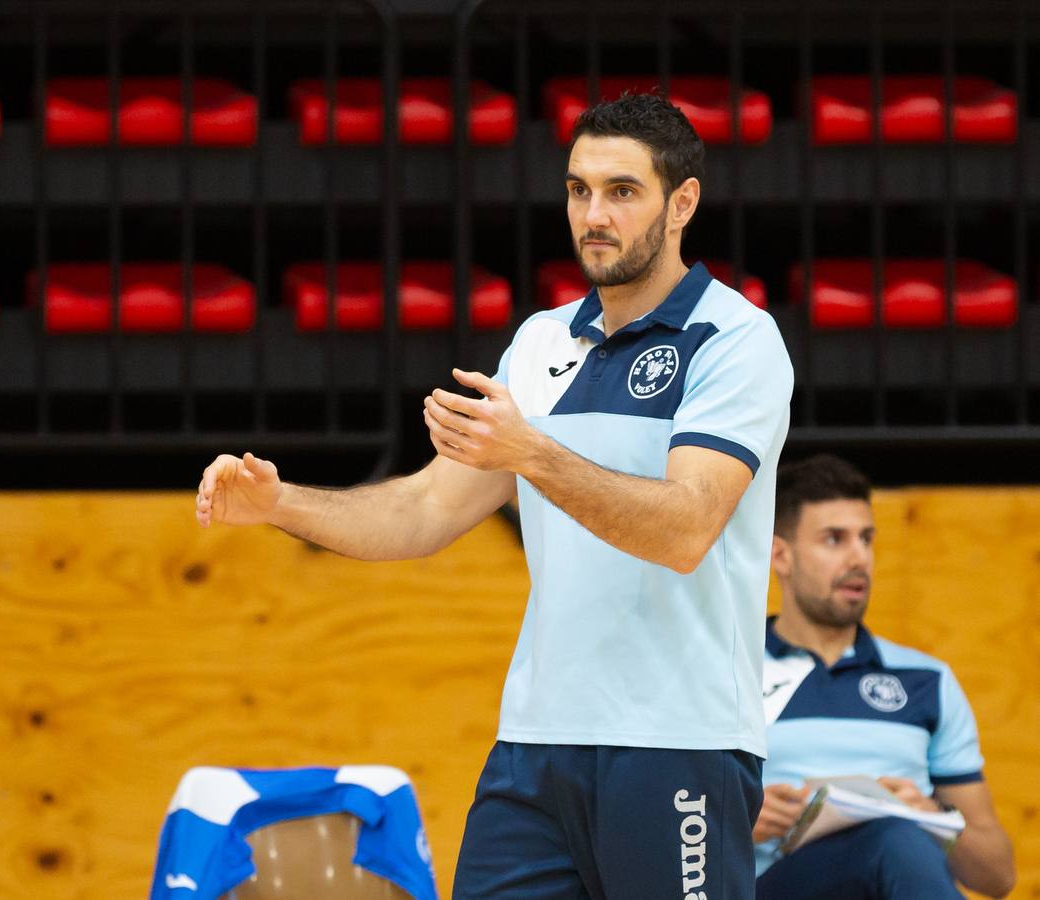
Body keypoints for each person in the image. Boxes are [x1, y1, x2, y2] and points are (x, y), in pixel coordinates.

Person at [197, 92, 793, 899]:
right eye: (580, 190)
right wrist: (280, 505)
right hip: (534, 750)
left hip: (676, 744)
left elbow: (685, 528)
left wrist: (535, 454)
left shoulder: (737, 341)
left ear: (682, 202)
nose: (594, 215)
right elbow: (424, 510)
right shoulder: (540, 342)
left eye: (623, 191)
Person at [750, 454, 1015, 899]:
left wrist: (931, 816)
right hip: (772, 885)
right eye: (835, 539)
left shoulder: (927, 680)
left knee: (898, 839)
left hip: (897, 871)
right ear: (781, 555)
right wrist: (735, 824)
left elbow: (998, 876)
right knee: (892, 842)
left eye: (867, 539)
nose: (859, 558)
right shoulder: (730, 672)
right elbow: (644, 826)